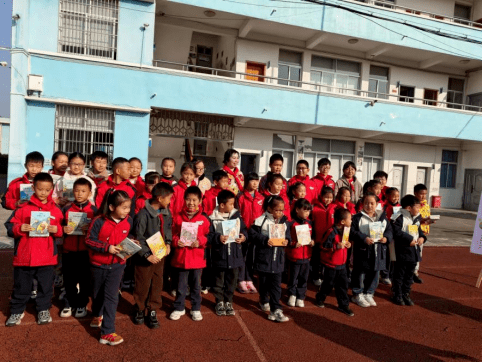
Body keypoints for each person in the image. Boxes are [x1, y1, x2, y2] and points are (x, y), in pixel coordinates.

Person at [4, 172, 63, 326]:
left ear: (51, 190)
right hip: (25, 256)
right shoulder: (22, 208)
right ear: (33, 187)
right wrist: (20, 228)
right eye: (40, 189)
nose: (43, 193)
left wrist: (55, 229)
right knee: (21, 286)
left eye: (47, 190)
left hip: (46, 257)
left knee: (45, 287)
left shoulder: (55, 209)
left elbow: (61, 230)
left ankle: (43, 309)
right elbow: (9, 227)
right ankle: (17, 311)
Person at [86, 190, 134, 345]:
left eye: (128, 207)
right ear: (112, 207)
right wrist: (107, 247)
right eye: (124, 207)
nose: (127, 211)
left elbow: (128, 236)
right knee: (97, 293)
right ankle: (97, 314)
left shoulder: (129, 220)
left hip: (118, 265)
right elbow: (89, 240)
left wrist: (132, 243)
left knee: (112, 297)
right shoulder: (98, 221)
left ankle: (107, 332)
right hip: (98, 265)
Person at [133, 182, 174, 329]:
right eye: (168, 198)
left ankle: (152, 309)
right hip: (146, 257)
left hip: (160, 255)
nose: (170, 201)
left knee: (157, 283)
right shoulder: (143, 215)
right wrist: (146, 254)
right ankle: (139, 308)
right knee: (143, 283)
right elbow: (138, 238)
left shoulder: (166, 212)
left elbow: (168, 229)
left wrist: (168, 243)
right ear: (159, 198)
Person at [169, 186, 210, 322]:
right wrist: (176, 241)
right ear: (184, 200)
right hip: (181, 258)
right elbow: (173, 234)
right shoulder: (178, 217)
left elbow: (207, 236)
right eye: (188, 199)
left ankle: (196, 308)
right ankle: (179, 307)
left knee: (196, 286)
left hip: (197, 259)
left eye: (194, 200)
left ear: (199, 201)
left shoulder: (204, 219)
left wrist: (199, 242)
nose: (191, 203)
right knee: (180, 286)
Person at [249, 195, 291, 323]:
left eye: (282, 210)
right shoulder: (260, 221)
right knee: (264, 283)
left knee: (276, 285)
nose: (280, 213)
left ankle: (275, 309)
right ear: (269, 208)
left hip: (278, 259)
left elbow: (288, 236)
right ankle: (263, 299)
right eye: (277, 210)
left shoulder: (284, 221)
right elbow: (252, 235)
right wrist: (265, 240)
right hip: (264, 259)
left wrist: (287, 241)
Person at [60, 177, 97, 319]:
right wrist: (63, 228)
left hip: (86, 251)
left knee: (84, 279)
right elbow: (58, 226)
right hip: (69, 250)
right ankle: (69, 302)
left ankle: (82, 303)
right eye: (76, 191)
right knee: (69, 279)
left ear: (89, 193)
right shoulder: (66, 208)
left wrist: (91, 229)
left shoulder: (94, 210)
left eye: (83, 191)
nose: (79, 194)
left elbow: (99, 230)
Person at [208, 190, 248, 316]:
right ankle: (219, 301)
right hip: (219, 256)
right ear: (222, 205)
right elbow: (208, 236)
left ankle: (228, 301)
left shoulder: (237, 217)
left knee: (232, 281)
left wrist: (243, 237)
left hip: (235, 256)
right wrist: (217, 238)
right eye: (231, 204)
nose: (233, 207)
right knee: (218, 281)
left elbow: (244, 231)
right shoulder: (212, 218)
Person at [350, 193, 393, 308]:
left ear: (377, 204)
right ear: (362, 204)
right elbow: (352, 232)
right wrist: (364, 238)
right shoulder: (357, 218)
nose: (369, 206)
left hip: (378, 250)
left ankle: (369, 293)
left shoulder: (382, 218)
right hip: (363, 251)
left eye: (372, 203)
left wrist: (386, 238)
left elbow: (389, 230)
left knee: (374, 272)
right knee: (360, 273)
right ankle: (357, 294)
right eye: (366, 203)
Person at [315, 208, 354, 317]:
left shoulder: (346, 231)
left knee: (343, 285)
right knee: (328, 284)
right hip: (331, 265)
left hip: (342, 265)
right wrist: (335, 246)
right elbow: (322, 245)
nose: (351, 221)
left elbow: (345, 244)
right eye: (350, 219)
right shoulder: (331, 232)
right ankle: (320, 297)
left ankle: (343, 305)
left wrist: (348, 245)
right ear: (342, 221)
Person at [391, 194, 426, 306]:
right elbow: (396, 232)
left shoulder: (416, 218)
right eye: (417, 207)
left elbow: (419, 231)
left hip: (413, 252)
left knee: (409, 276)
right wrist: (409, 239)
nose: (419, 209)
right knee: (399, 275)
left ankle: (406, 293)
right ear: (409, 208)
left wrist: (422, 238)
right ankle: (397, 294)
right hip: (402, 252)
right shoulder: (398, 217)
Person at [236, 172, 264, 294]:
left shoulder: (261, 198)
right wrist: (241, 230)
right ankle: (241, 279)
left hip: (256, 232)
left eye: (256, 181)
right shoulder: (240, 196)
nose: (254, 183)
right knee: (242, 256)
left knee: (252, 257)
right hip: (243, 232)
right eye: (252, 181)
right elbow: (237, 214)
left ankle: (249, 279)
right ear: (246, 182)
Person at [286, 198, 314, 308]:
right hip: (294, 256)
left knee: (303, 278)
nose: (307, 213)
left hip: (306, 256)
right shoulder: (291, 223)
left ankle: (301, 296)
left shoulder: (310, 223)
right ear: (297, 210)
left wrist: (312, 242)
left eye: (308, 211)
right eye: (305, 210)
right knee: (293, 277)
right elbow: (287, 238)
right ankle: (292, 294)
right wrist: (293, 243)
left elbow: (313, 237)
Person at [311, 186, 337, 286]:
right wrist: (312, 237)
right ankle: (316, 276)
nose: (328, 200)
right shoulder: (315, 208)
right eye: (326, 197)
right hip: (318, 238)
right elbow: (311, 224)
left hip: (330, 239)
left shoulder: (334, 208)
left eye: (330, 197)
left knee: (327, 259)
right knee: (316, 259)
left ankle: (325, 277)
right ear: (321, 196)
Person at [412, 184, 434, 284]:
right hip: (414, 231)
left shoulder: (426, 204)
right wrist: (421, 221)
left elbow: (427, 217)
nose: (423, 196)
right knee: (411, 252)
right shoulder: (412, 204)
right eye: (421, 194)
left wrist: (429, 223)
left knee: (419, 253)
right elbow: (413, 219)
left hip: (423, 233)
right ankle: (410, 272)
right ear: (415, 193)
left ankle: (415, 272)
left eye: (425, 194)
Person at [380, 187, 401, 285]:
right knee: (386, 256)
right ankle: (385, 275)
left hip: (396, 235)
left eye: (397, 196)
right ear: (387, 196)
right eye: (393, 196)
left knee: (394, 256)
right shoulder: (383, 206)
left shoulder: (400, 207)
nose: (396, 198)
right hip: (386, 234)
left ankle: (392, 274)